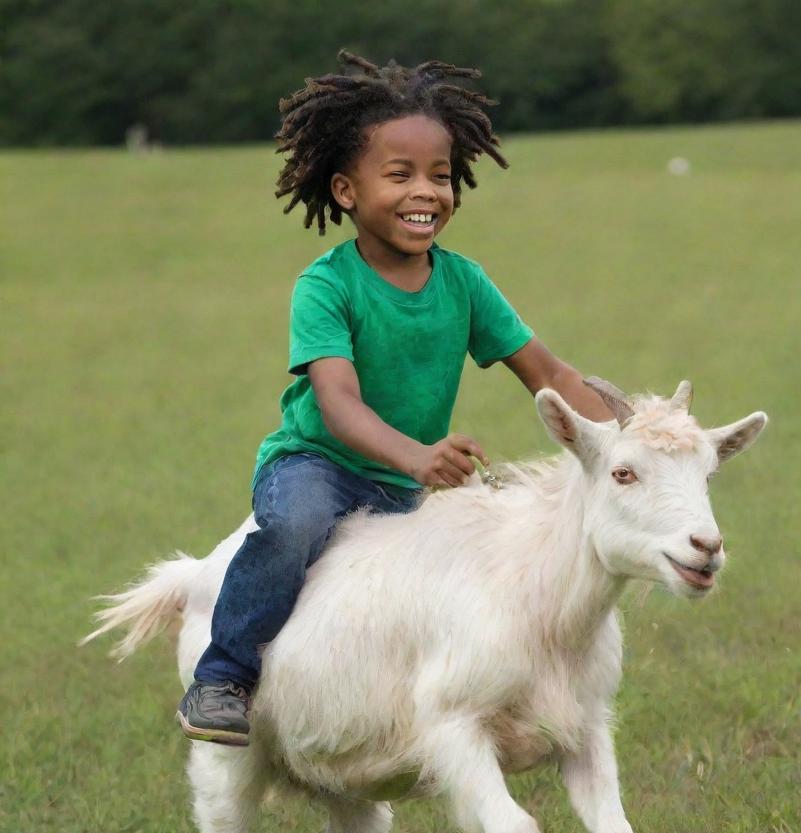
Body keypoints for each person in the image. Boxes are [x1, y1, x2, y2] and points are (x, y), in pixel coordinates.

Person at [177, 51, 613, 745]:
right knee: (291, 530)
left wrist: (635, 431)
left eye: (440, 176)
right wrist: (415, 457)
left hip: (405, 484)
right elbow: (338, 403)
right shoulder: (326, 286)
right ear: (347, 191)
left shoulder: (465, 282)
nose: (427, 192)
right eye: (401, 175)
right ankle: (222, 676)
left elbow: (549, 373)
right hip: (319, 465)